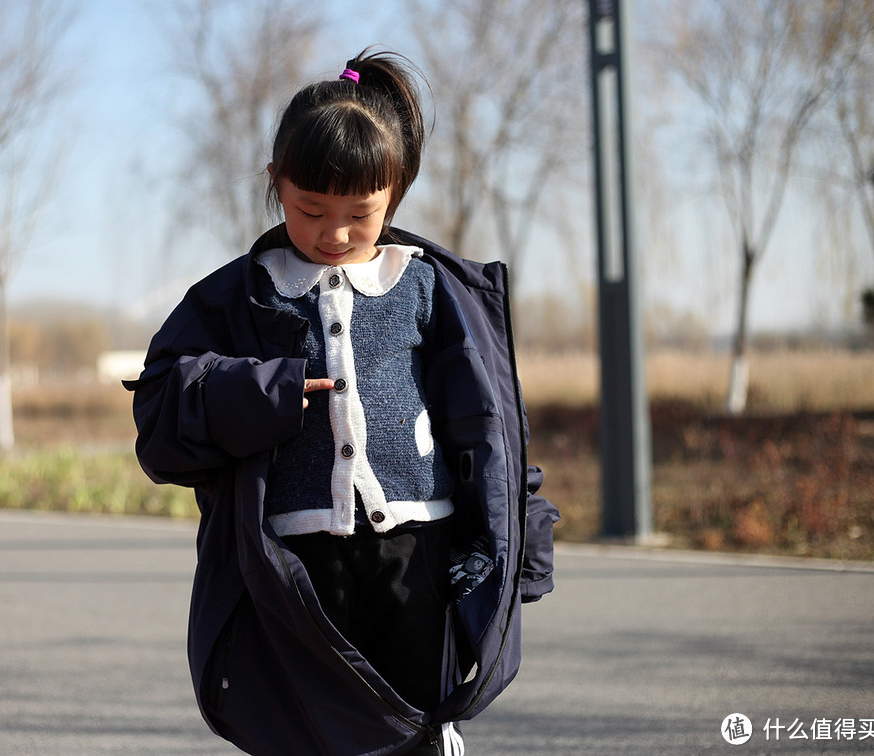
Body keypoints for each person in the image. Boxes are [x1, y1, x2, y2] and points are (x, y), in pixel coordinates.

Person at [126, 48, 559, 756]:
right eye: (310, 209)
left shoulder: (425, 286)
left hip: (419, 552)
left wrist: (513, 536)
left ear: (394, 193)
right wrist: (262, 395)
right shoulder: (241, 295)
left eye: (360, 214)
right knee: (310, 725)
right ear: (276, 184)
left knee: (411, 716)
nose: (334, 233)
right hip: (296, 562)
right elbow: (164, 415)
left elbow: (489, 423)